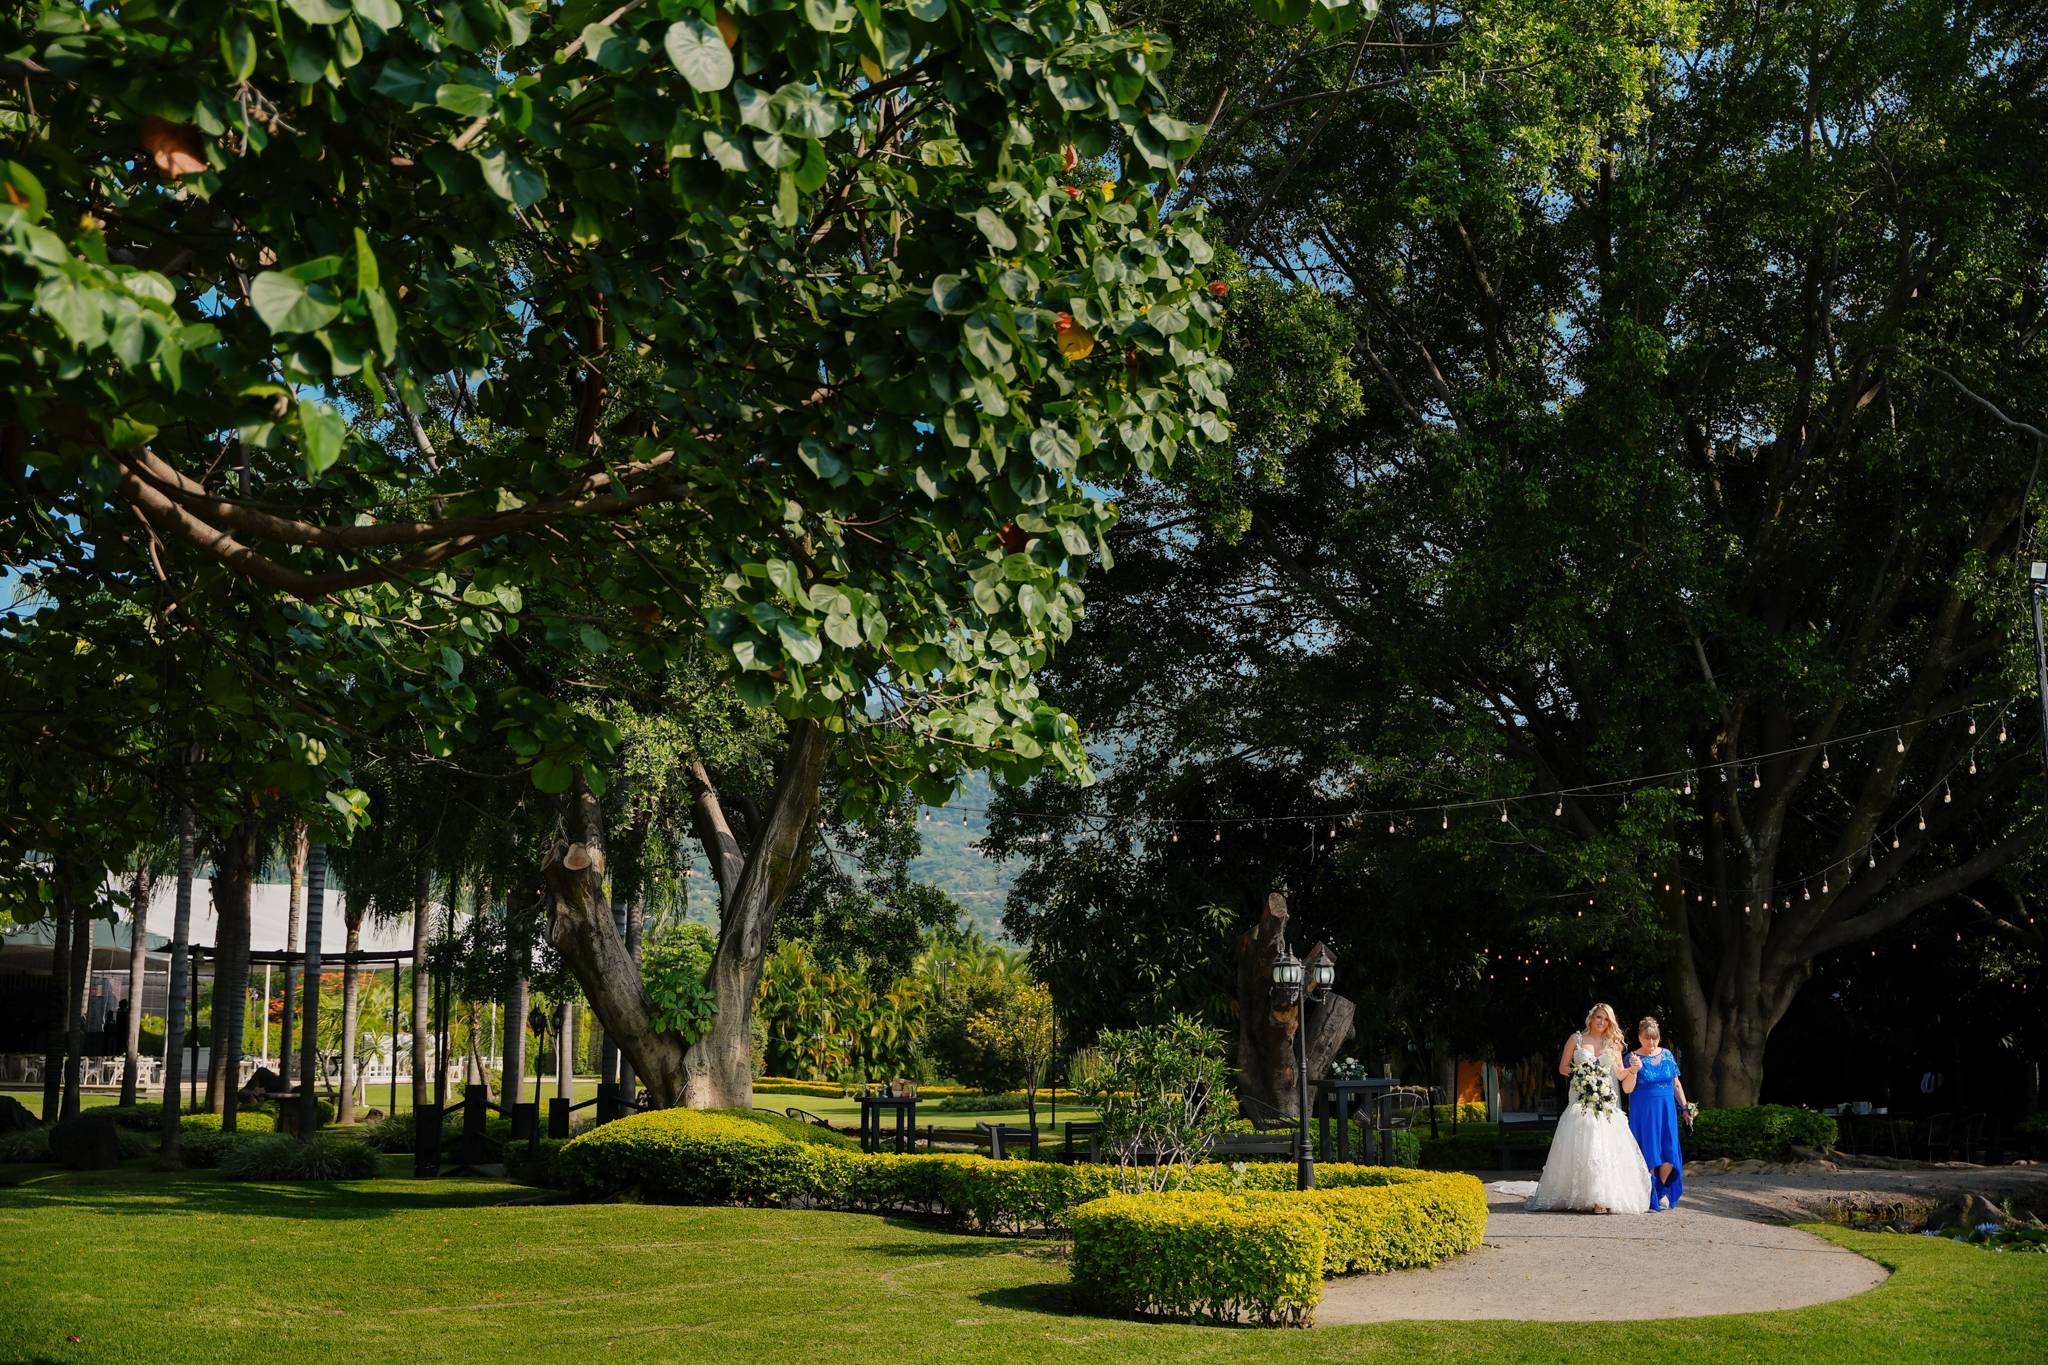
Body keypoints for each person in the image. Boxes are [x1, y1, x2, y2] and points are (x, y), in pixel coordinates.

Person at [1524, 1003, 1651, 1214]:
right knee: (1587, 1140)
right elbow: (1563, 1067)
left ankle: (1601, 1197)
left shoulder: (1613, 1044)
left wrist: (1633, 1069)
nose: (1602, 1022)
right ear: (1591, 1018)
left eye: (1606, 1019)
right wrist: (1582, 1074)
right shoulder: (1577, 1039)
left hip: (1605, 1103)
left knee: (1602, 1146)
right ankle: (1581, 1195)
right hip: (1581, 1101)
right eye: (1599, 1017)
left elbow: (1619, 1074)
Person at [1628, 1016, 1692, 1210]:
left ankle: (1661, 1187)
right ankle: (1648, 1193)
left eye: (1654, 1038)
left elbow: (1676, 1084)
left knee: (1669, 1152)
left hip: (1667, 1110)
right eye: (1647, 1038)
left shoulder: (1667, 1055)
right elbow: (1628, 1088)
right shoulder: (1633, 1058)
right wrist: (1632, 1070)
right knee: (1649, 1151)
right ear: (1639, 1037)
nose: (1651, 1042)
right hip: (1644, 1112)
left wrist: (1685, 1108)